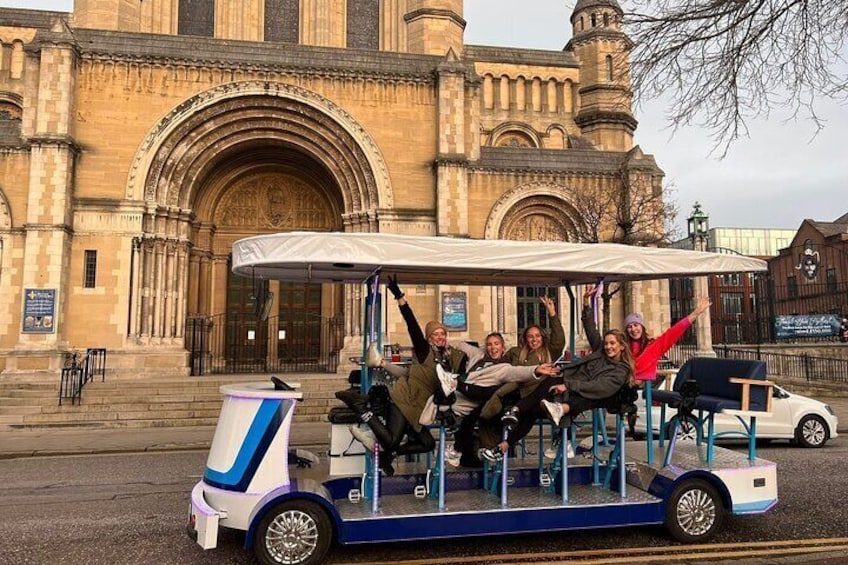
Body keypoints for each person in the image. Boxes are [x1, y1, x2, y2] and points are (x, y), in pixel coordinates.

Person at [479, 291, 634, 462]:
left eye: (612, 343)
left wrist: (552, 313)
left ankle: (513, 427)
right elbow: (591, 330)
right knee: (528, 409)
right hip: (533, 393)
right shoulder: (516, 352)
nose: (608, 347)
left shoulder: (619, 369)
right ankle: (503, 446)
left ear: (621, 346)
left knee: (549, 380)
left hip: (564, 390)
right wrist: (586, 303)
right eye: (606, 343)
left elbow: (599, 386)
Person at [335, 275, 467, 475]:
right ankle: (360, 408)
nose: (440, 337)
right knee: (391, 439)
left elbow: (410, 372)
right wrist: (400, 297)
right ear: (429, 338)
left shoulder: (446, 357)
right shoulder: (424, 350)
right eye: (436, 334)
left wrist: (383, 363)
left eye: (443, 334)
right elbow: (412, 325)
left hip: (419, 407)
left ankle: (391, 455)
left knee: (427, 443)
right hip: (404, 399)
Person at [619, 291, 711, 438]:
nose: (633, 329)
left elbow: (674, 331)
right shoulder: (623, 347)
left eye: (636, 325)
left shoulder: (653, 346)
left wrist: (696, 313)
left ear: (642, 327)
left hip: (637, 384)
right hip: (624, 384)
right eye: (629, 326)